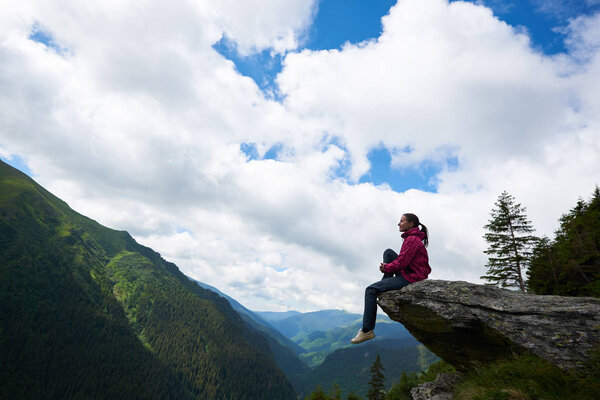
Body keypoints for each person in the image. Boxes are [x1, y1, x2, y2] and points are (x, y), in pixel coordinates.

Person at [351, 213, 431, 344]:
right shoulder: (412, 238)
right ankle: (385, 284)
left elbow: (402, 263)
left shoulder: (411, 240)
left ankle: (367, 331)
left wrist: (386, 268)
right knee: (388, 252)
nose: (398, 223)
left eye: (401, 221)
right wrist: (388, 267)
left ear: (411, 224)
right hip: (409, 272)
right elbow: (402, 261)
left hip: (411, 278)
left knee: (370, 290)